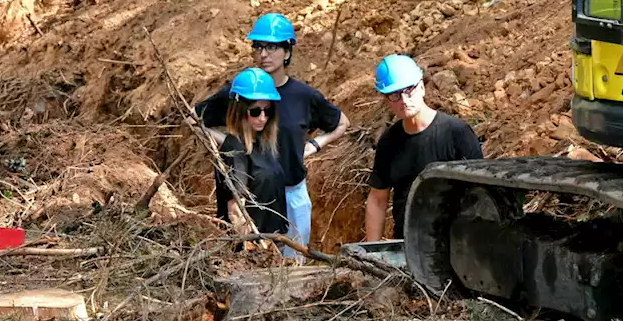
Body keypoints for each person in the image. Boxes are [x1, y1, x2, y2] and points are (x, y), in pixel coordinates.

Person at [195, 13, 350, 258]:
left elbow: (341, 123)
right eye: (258, 46)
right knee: (254, 265)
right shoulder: (240, 91)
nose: (263, 54)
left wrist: (315, 145)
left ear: (287, 51)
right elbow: (194, 119)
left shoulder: (304, 96)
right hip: (251, 199)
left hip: (292, 193)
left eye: (271, 47)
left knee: (293, 268)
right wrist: (229, 142)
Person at [364, 54, 483, 242]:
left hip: (455, 244)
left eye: (409, 90)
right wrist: (371, 254)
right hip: (408, 244)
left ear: (421, 88)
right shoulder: (389, 142)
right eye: (395, 94)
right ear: (387, 100)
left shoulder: (456, 134)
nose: (404, 99)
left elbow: (480, 193)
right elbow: (378, 199)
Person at [219, 68, 299, 249]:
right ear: (240, 111)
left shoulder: (263, 144)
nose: (262, 118)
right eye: (255, 112)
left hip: (273, 240)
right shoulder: (235, 148)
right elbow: (236, 208)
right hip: (253, 248)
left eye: (267, 111)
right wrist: (254, 246)